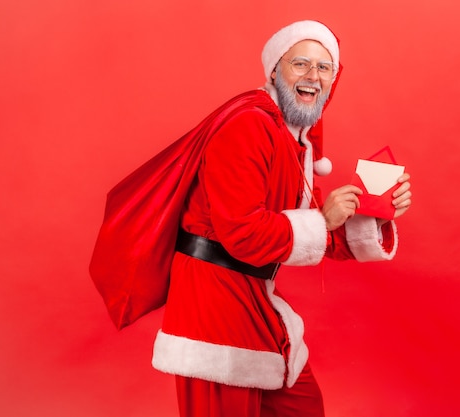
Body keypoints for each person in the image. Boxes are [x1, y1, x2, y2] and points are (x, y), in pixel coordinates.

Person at [150, 20, 412, 417]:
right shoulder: (247, 126)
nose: (313, 77)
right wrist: (322, 221)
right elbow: (242, 232)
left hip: (256, 300)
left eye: (324, 68)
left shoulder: (293, 140)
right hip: (213, 308)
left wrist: (378, 212)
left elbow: (318, 231)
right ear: (275, 69)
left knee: (303, 407)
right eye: (301, 64)